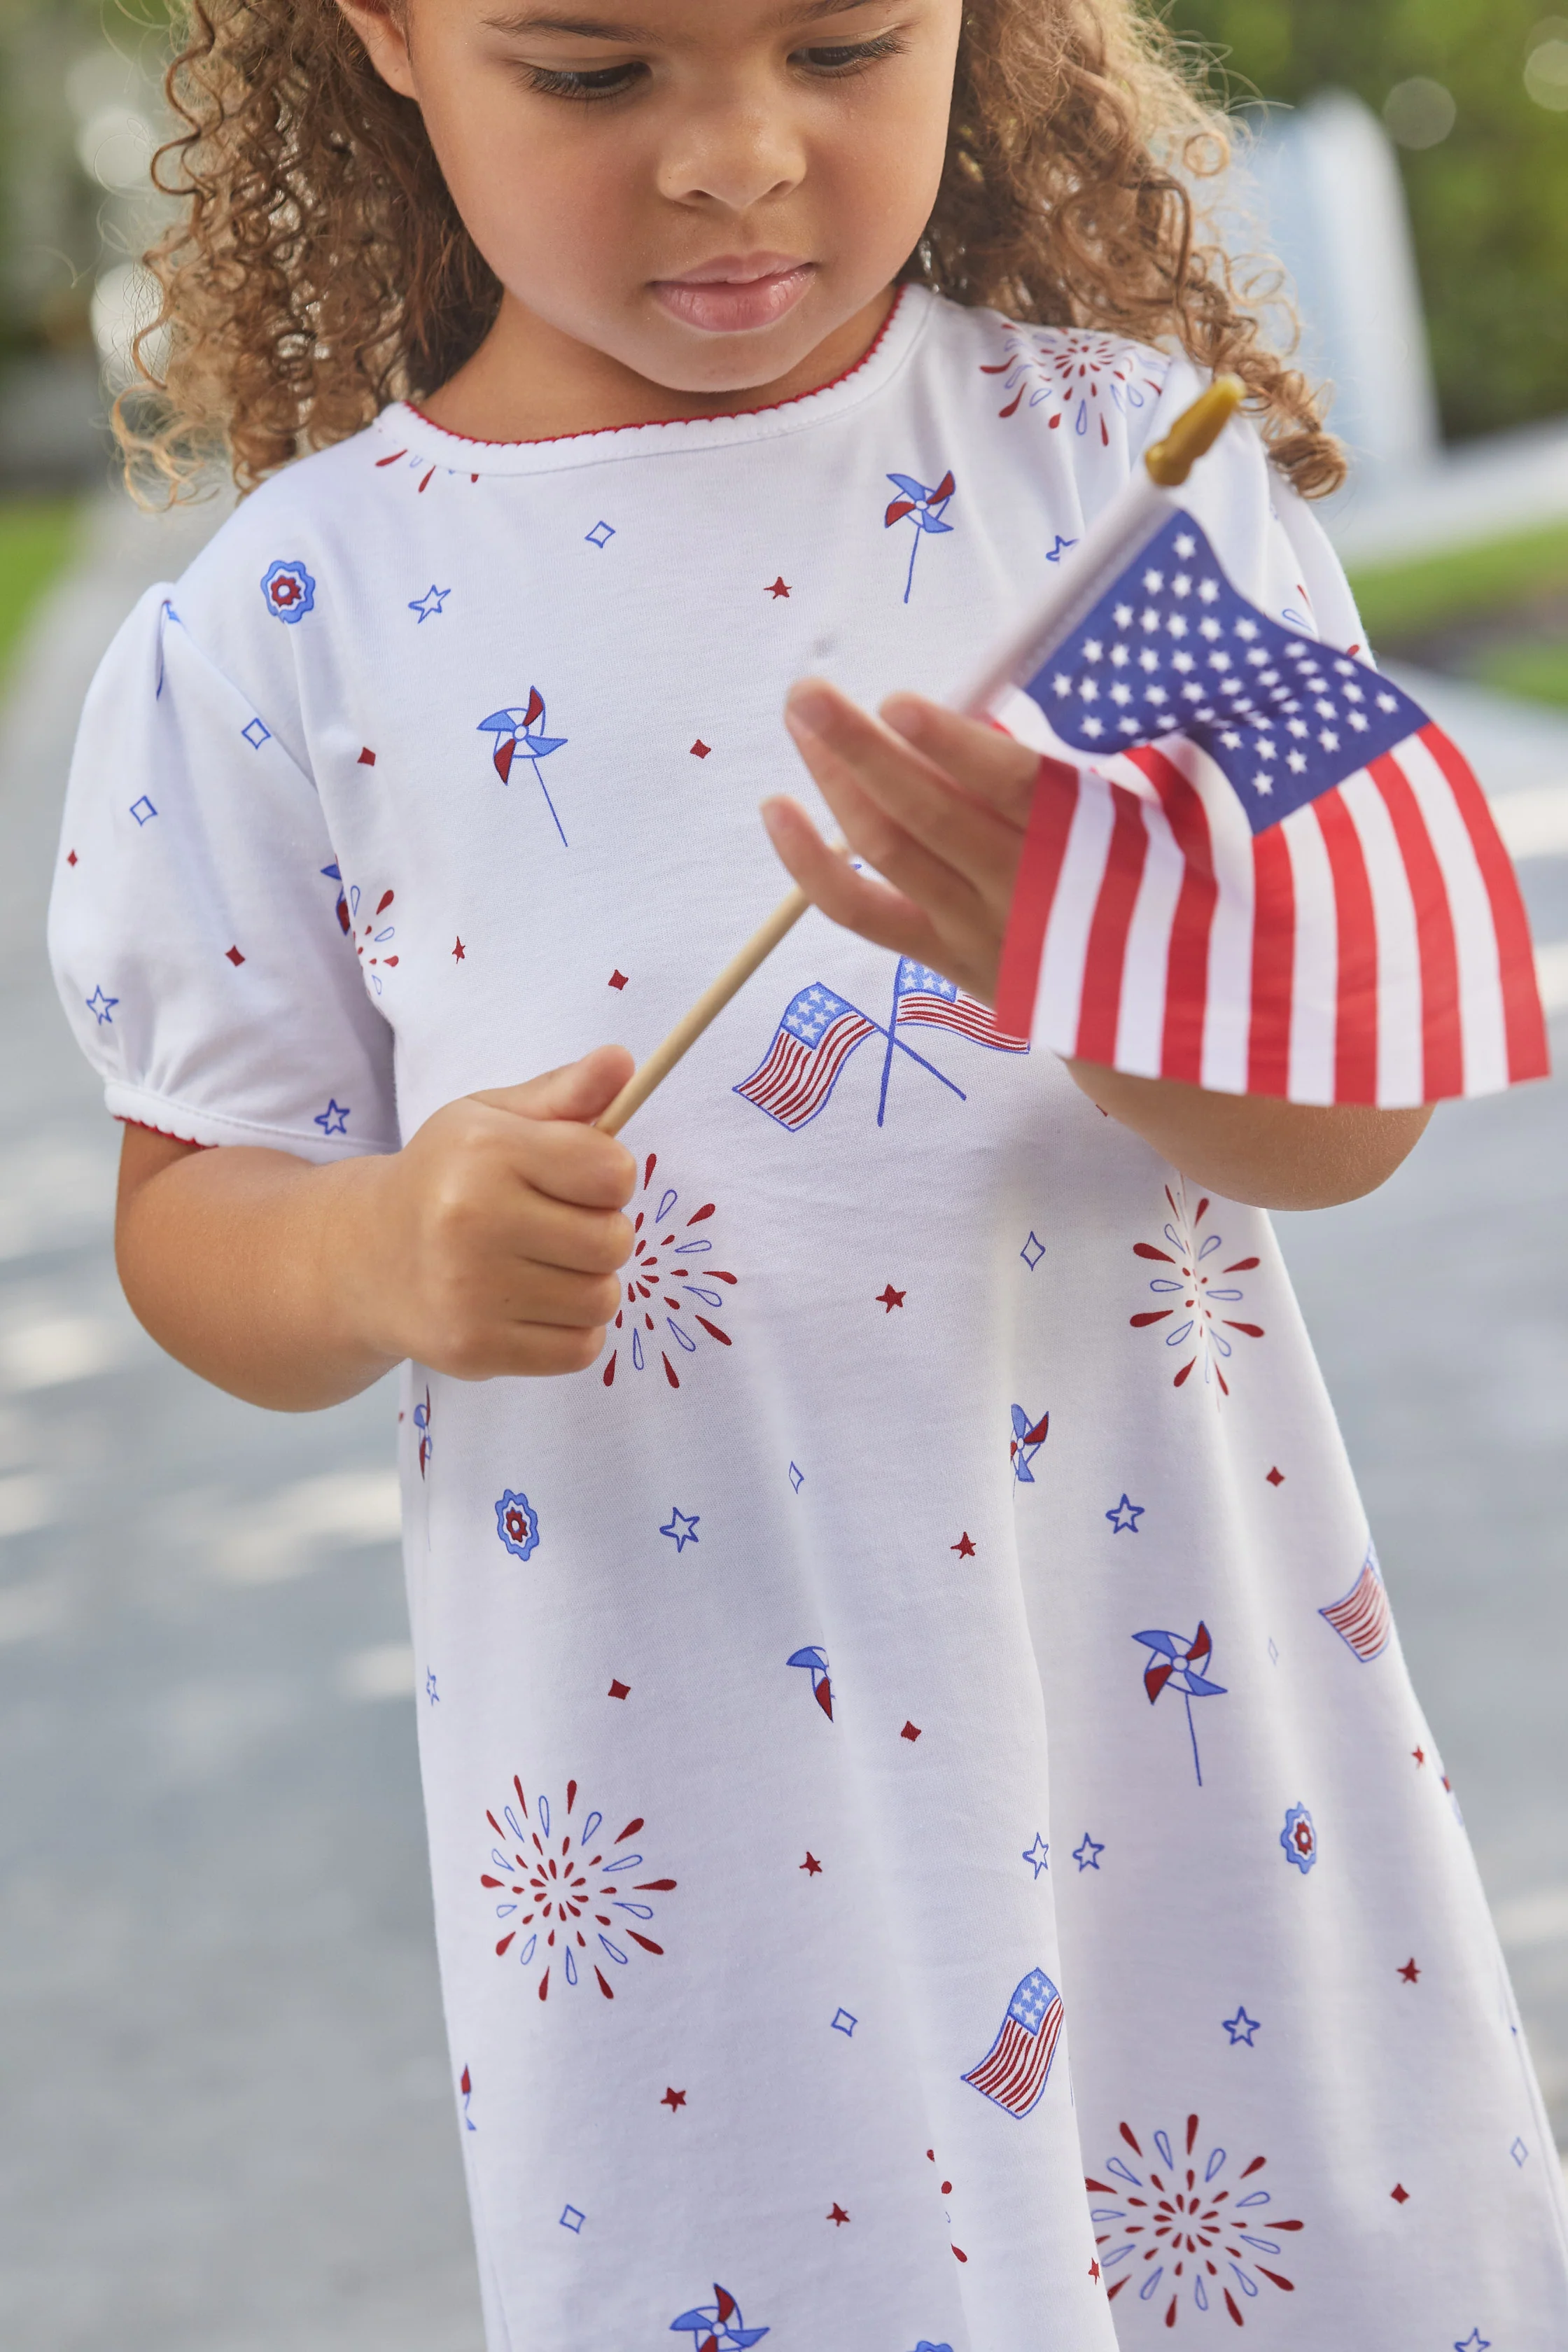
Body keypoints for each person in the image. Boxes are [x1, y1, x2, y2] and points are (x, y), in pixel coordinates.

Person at [48, 0, 1568, 2341]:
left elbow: (1346, 1120)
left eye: (843, 44)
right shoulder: (287, 626)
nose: (739, 157)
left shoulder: (1120, 485)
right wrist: (374, 1244)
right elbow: (196, 1226)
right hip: (690, 1813)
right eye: (593, 73)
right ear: (388, 36)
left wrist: (1091, 955)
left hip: (1173, 1732)